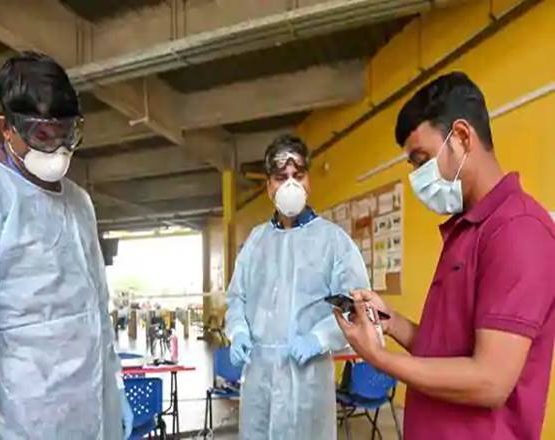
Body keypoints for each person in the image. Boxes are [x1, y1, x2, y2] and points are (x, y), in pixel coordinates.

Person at [0, 52, 133, 439]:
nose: (58, 149)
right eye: (42, 136)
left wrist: (114, 389)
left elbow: (96, 313)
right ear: (6, 127)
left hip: (90, 417)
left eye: (66, 134)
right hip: (20, 424)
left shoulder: (78, 203)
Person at [334, 72, 555, 440]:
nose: (418, 178)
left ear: (463, 137)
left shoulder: (518, 230)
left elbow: (489, 381)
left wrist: (379, 359)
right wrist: (391, 322)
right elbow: (446, 352)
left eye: (422, 160)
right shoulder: (466, 229)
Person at [225, 134, 369, 439]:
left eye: (298, 175)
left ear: (309, 181)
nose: (291, 184)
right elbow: (237, 297)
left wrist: (319, 338)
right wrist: (238, 331)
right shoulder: (256, 242)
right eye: (281, 177)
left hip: (309, 380)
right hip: (259, 380)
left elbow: (353, 302)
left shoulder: (333, 241)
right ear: (269, 186)